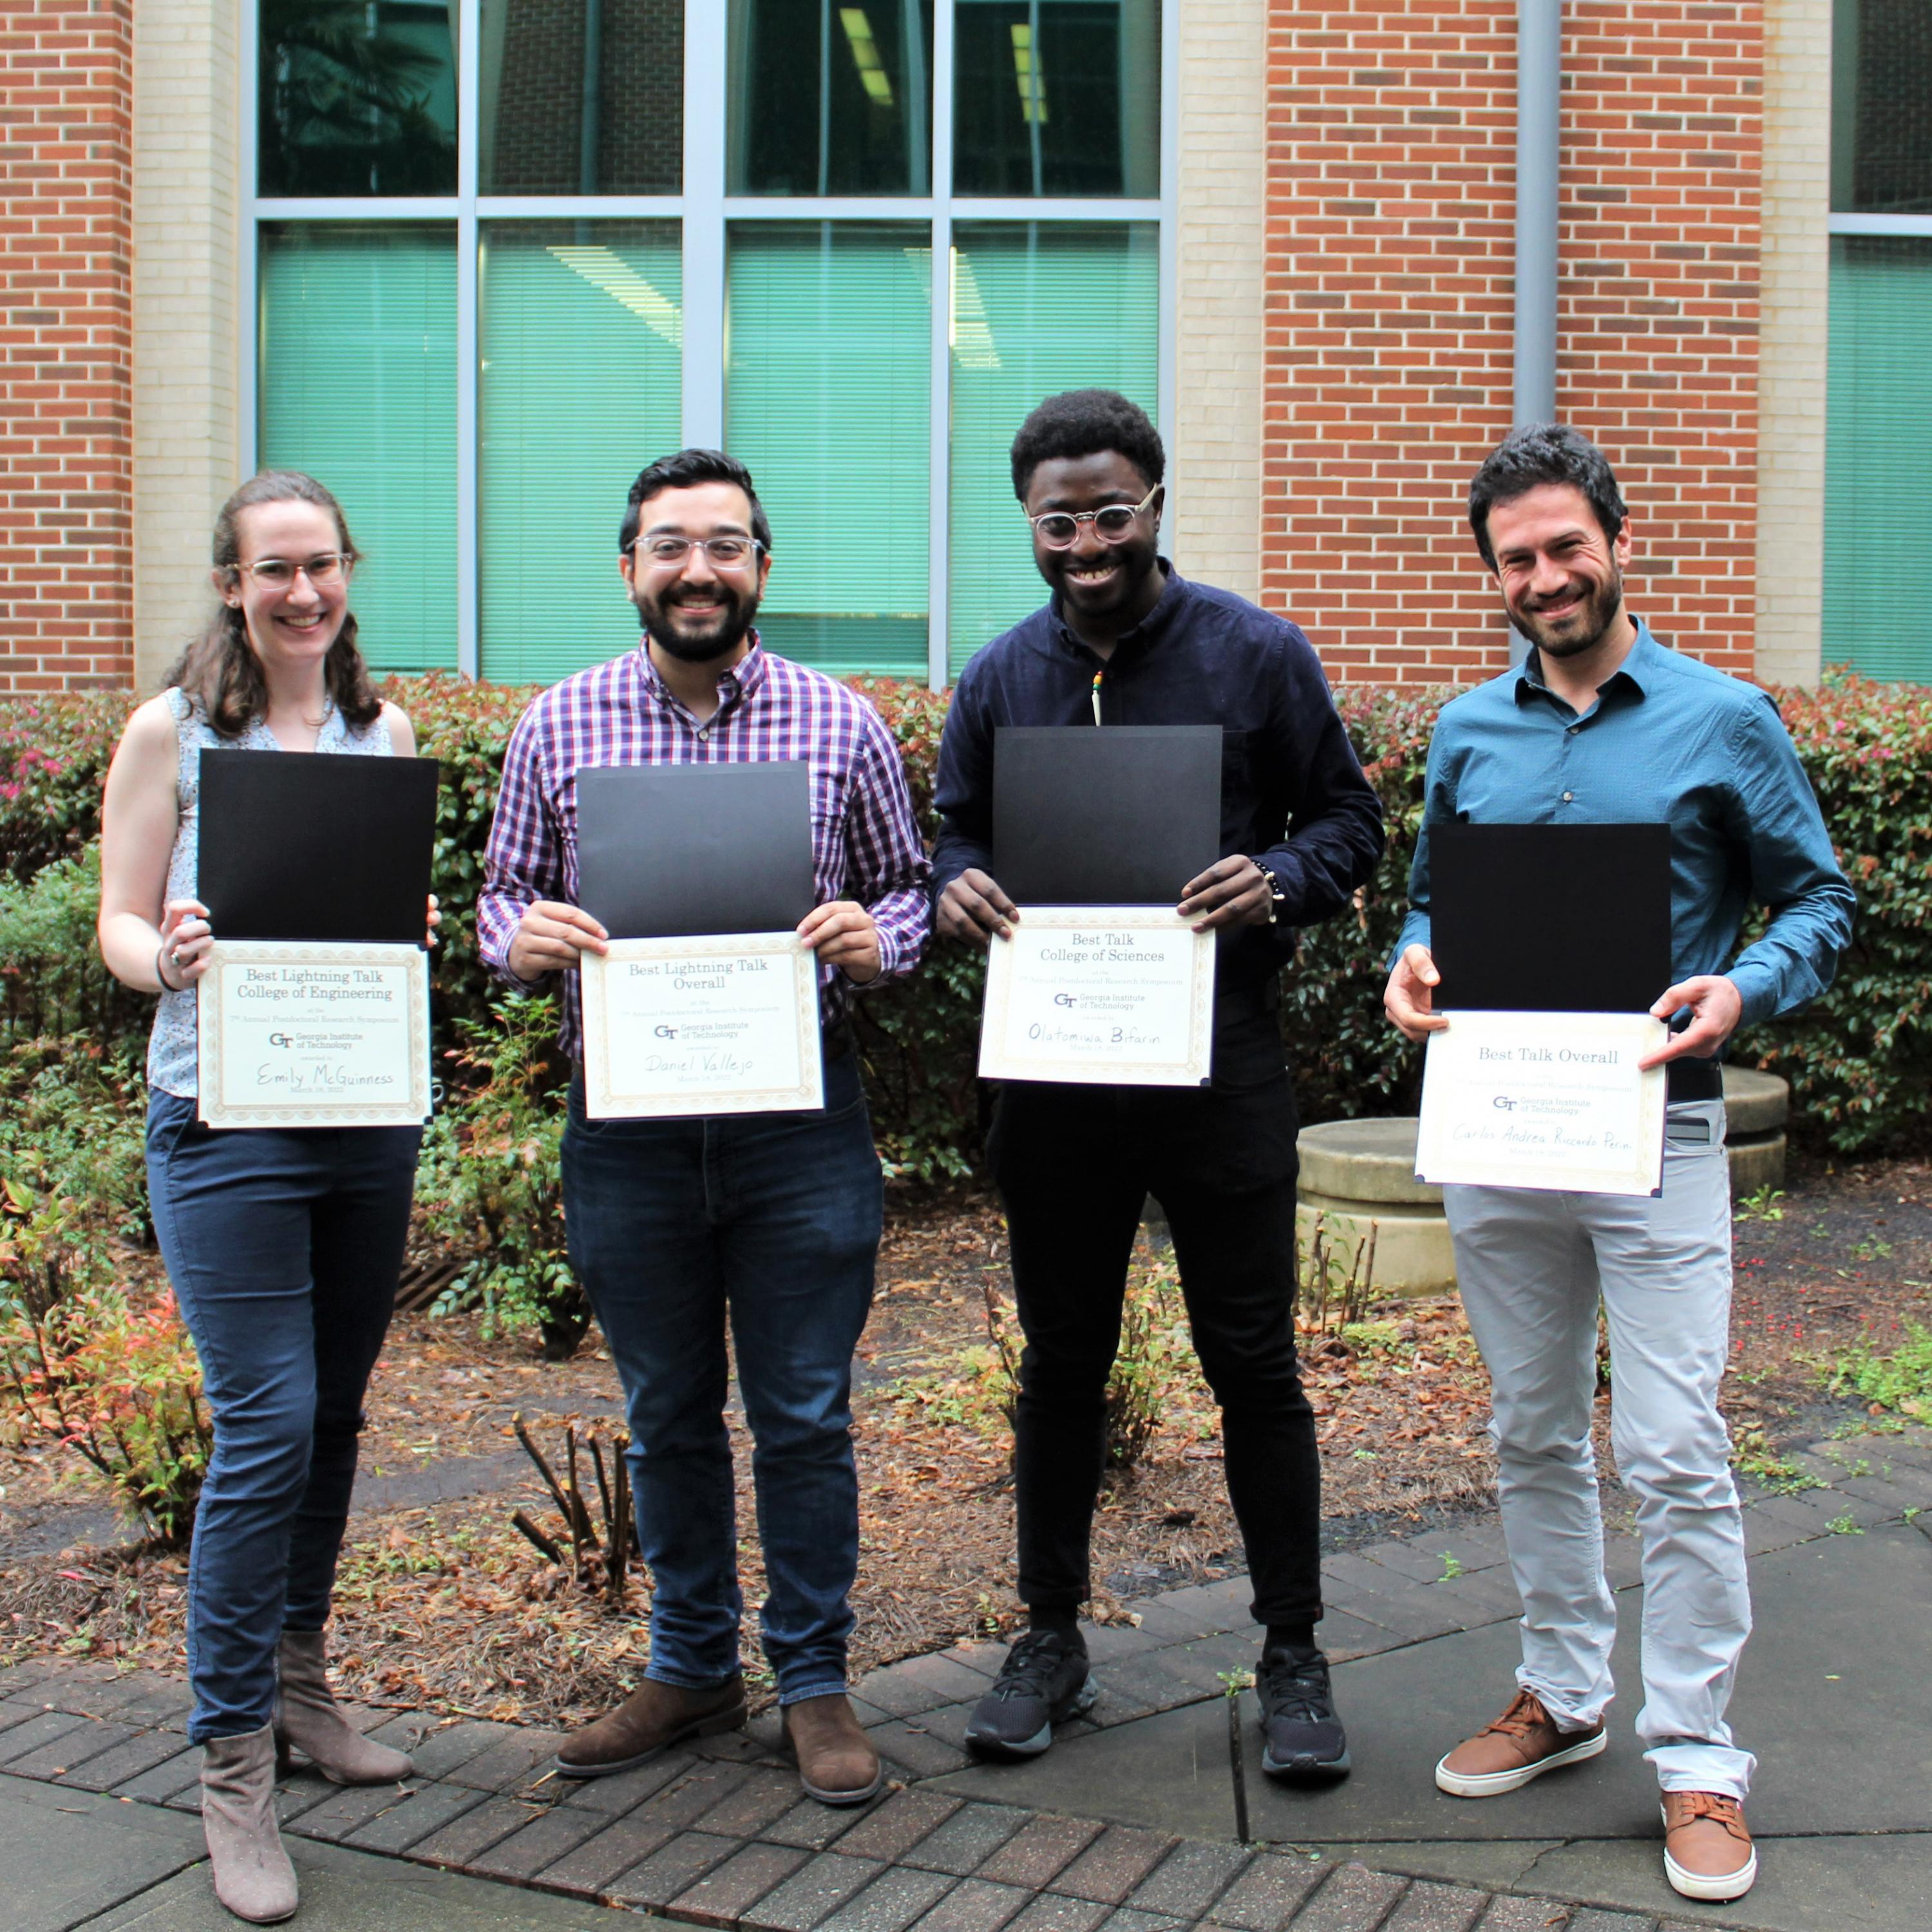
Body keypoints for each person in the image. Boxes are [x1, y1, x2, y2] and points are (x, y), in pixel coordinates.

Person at [1384, 424, 1854, 1904]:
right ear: (1496, 577)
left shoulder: (1722, 721)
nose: (1544, 577)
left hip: (1662, 1124)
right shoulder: (1469, 731)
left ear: (1618, 542)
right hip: (1503, 1121)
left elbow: (1821, 902)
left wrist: (1746, 989)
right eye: (1515, 560)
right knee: (1531, 1432)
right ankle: (1562, 1690)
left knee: (1671, 1448)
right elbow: (1422, 902)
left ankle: (1699, 1755)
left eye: (1564, 548)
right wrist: (1411, 962)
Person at [931, 390, 1385, 1778]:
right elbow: (952, 833)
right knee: (1063, 1364)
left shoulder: (1256, 655)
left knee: (1253, 1364)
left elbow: (1352, 821)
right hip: (1061, 1076)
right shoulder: (1002, 678)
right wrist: (957, 889)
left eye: (1110, 512)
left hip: (1218, 1070)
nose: (1086, 541)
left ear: (1155, 504)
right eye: (1058, 520)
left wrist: (1283, 880)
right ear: (1030, 523)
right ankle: (1051, 1637)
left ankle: (1294, 1654)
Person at [477, 448, 930, 1806]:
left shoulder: (840, 725)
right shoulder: (557, 725)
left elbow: (910, 895)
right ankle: (688, 1668)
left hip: (800, 1124)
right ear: (631, 568)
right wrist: (528, 936)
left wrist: (874, 937)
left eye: (724, 544)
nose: (698, 569)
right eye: (670, 545)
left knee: (803, 1411)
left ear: (761, 569)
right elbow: (503, 900)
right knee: (666, 1409)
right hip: (630, 1128)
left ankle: (813, 1681)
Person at [97, 472, 437, 1926]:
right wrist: (161, 951)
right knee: (269, 1425)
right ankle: (230, 1767)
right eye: (272, 571)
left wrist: (402, 928)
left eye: (322, 566)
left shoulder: (386, 733)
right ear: (232, 586)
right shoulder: (172, 731)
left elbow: (376, 918)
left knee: (341, 1415)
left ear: (348, 573)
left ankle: (300, 1693)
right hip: (223, 1113)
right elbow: (115, 920)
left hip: (361, 1113)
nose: (303, 592)